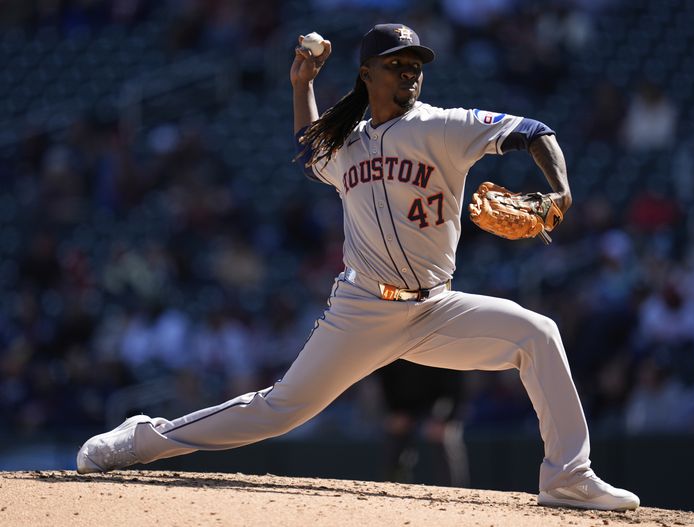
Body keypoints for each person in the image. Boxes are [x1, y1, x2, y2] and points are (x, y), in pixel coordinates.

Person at [77, 23, 640, 511]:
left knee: (538, 333)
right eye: (396, 65)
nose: (410, 73)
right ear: (367, 73)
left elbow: (535, 131)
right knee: (276, 411)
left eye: (416, 64)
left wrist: (560, 193)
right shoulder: (347, 145)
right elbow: (308, 149)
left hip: (437, 306)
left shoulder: (442, 125)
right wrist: (303, 84)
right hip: (362, 308)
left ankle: (568, 476)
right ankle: (142, 440)